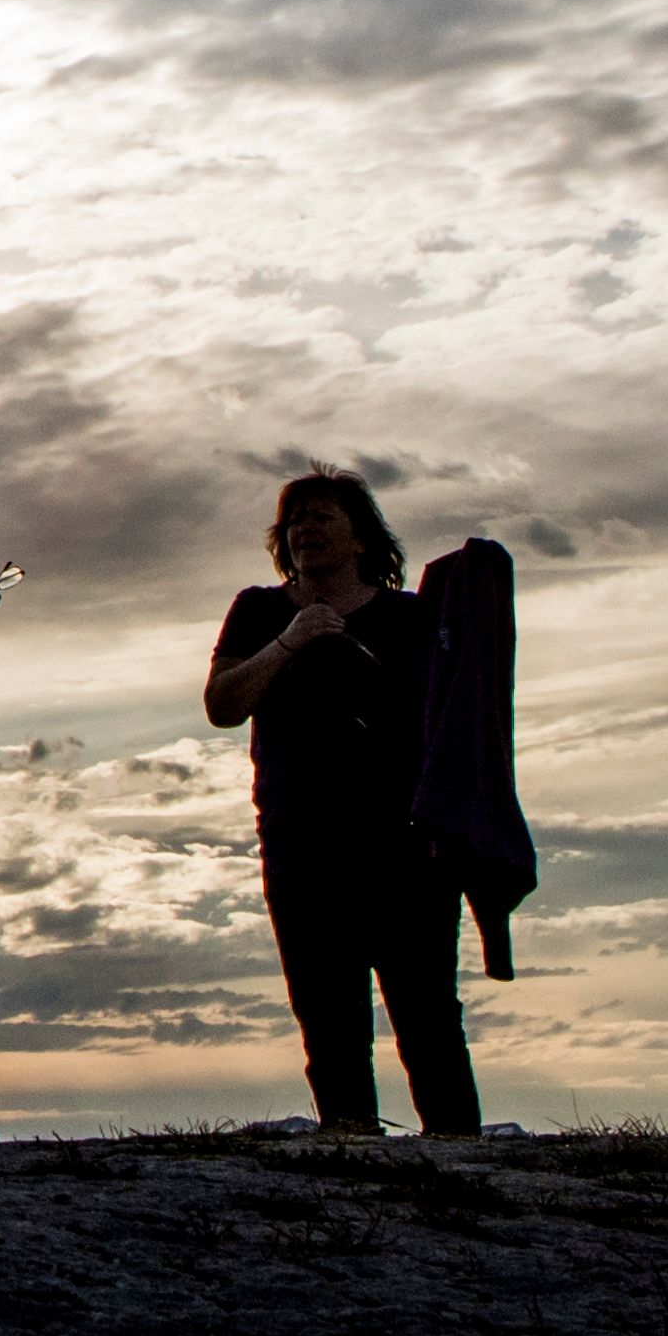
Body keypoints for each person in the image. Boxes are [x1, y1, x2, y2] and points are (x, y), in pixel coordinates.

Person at [204, 470, 483, 1136]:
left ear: (360, 536)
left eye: (321, 516)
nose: (304, 528)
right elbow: (221, 703)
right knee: (328, 1023)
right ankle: (349, 1161)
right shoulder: (257, 609)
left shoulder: (410, 615)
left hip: (404, 844)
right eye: (294, 519)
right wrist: (289, 641)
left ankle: (461, 1160)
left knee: (427, 1019)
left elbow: (453, 721)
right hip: (299, 842)